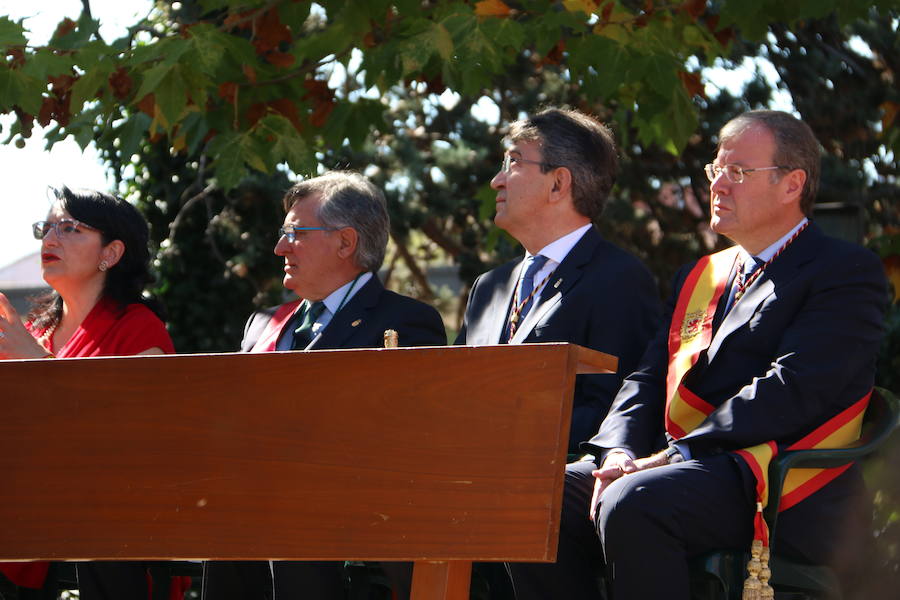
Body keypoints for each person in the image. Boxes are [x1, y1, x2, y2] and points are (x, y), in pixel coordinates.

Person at [508, 110, 888, 600]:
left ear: (792, 184)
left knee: (633, 499)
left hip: (779, 482)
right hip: (689, 470)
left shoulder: (844, 270)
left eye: (738, 172)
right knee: (535, 495)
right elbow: (647, 378)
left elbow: (795, 388)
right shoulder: (701, 275)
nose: (718, 186)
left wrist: (673, 454)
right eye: (716, 170)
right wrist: (621, 451)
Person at [202, 171, 446, 600]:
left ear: (345, 243)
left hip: (342, 506)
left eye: (295, 234)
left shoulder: (405, 321)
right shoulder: (263, 324)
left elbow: (401, 438)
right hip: (244, 503)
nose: (279, 247)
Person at [0, 186, 179, 600]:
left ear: (111, 253)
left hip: (107, 525)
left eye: (68, 228)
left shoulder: (138, 328)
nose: (50, 239)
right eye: (46, 228)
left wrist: (38, 365)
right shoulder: (37, 329)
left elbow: (131, 438)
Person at [456, 107, 660, 452]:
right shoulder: (488, 288)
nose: (497, 181)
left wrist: (503, 431)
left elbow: (617, 411)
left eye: (514, 163)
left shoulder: (619, 279)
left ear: (558, 183)